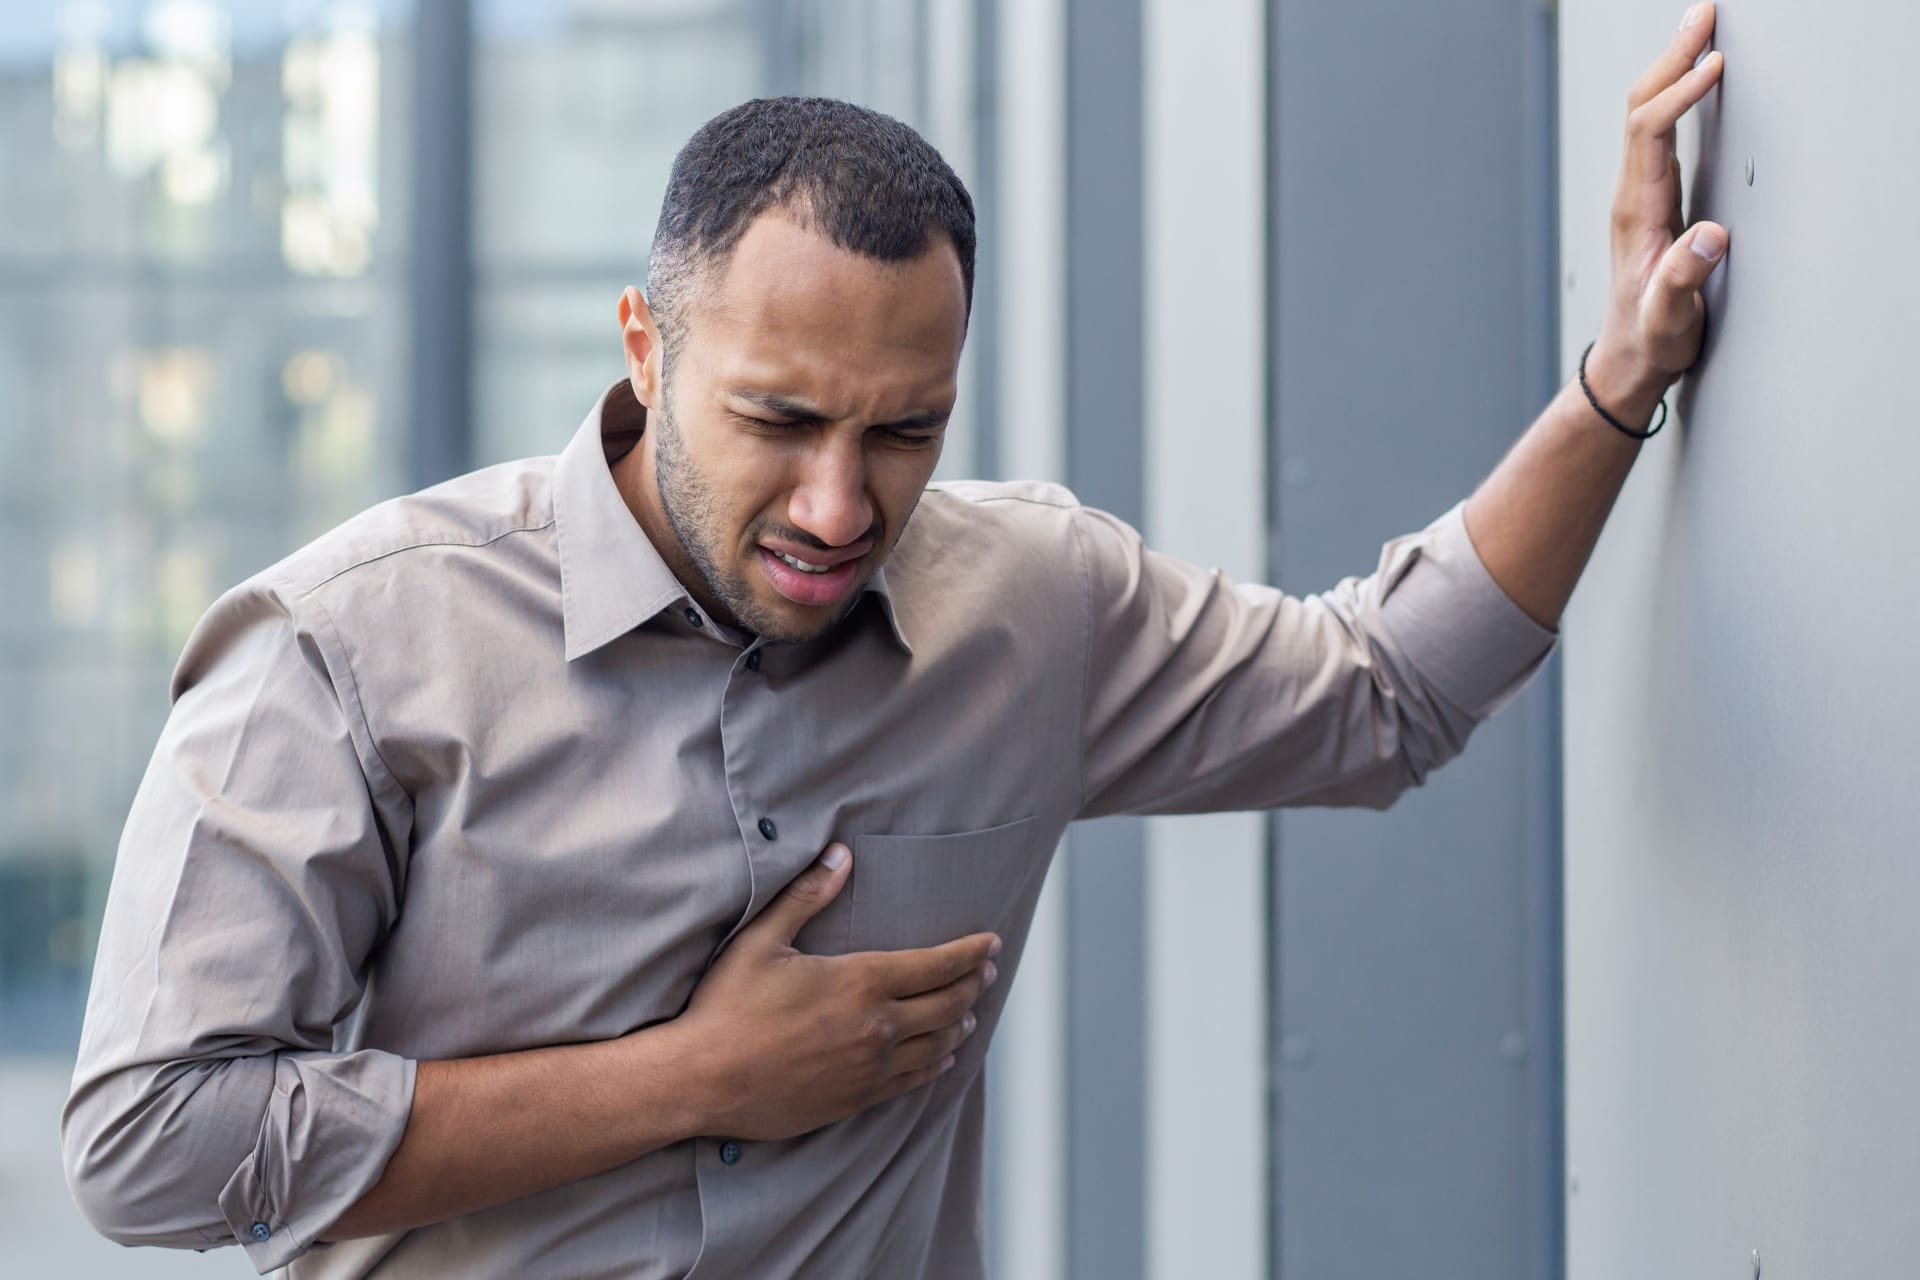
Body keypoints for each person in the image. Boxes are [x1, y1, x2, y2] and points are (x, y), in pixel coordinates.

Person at [61, 8, 1728, 1277]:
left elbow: (1381, 694)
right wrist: (688, 1080)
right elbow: (150, 1141)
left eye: (907, 432)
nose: (842, 507)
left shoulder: (1034, 599)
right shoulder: (350, 648)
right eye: (779, 420)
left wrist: (1615, 383)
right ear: (646, 345)